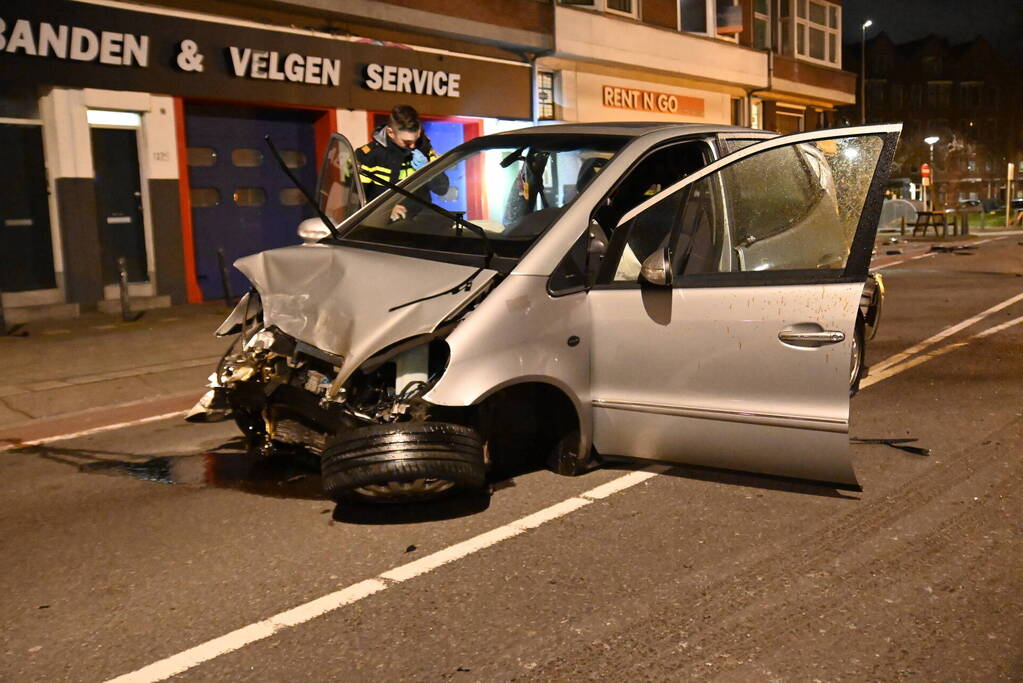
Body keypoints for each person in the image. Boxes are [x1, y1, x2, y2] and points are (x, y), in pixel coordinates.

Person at [357, 105, 449, 220]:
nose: (413, 146)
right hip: (382, 227)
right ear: (391, 133)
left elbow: (442, 189)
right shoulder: (370, 157)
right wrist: (384, 211)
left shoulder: (424, 150)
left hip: (420, 222)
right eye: (406, 142)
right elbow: (356, 200)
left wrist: (427, 170)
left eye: (415, 139)